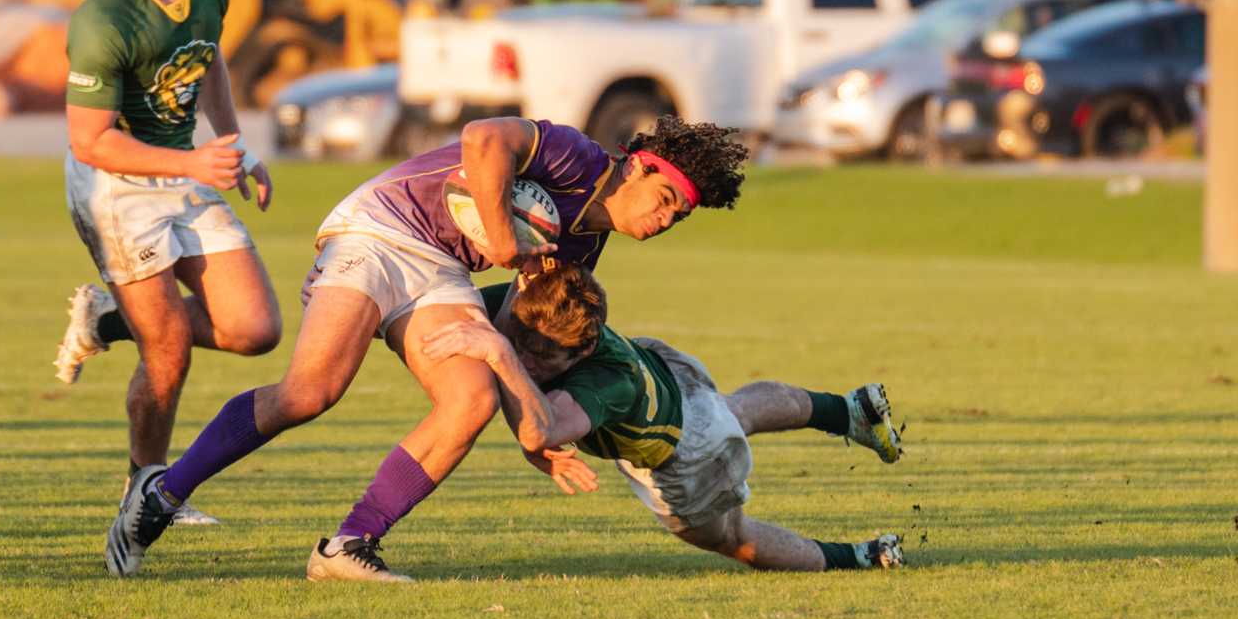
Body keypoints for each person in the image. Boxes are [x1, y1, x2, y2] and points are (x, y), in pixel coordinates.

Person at [105, 111, 750, 583]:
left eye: (678, 216)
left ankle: (349, 546)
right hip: (383, 225)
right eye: (665, 198)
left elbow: (517, 337)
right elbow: (483, 139)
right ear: (637, 167)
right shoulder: (576, 156)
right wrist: (500, 239)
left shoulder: (583, 252)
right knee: (311, 391)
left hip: (441, 271)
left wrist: (537, 434)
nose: (663, 219)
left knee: (467, 401)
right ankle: (159, 495)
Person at [47, 0, 280, 546]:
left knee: (255, 328)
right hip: (117, 187)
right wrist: (192, 164)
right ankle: (146, 490)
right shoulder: (103, 19)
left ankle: (109, 320)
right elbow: (91, 140)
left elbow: (207, 64)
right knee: (170, 349)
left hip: (185, 167)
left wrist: (234, 149)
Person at [427, 266, 907, 573]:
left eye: (543, 358)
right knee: (733, 409)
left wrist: (499, 351)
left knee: (733, 539)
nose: (528, 361)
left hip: (683, 450)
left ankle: (864, 557)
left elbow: (542, 429)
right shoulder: (551, 307)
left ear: (584, 350)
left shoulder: (601, 384)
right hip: (673, 375)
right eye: (522, 344)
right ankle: (847, 409)